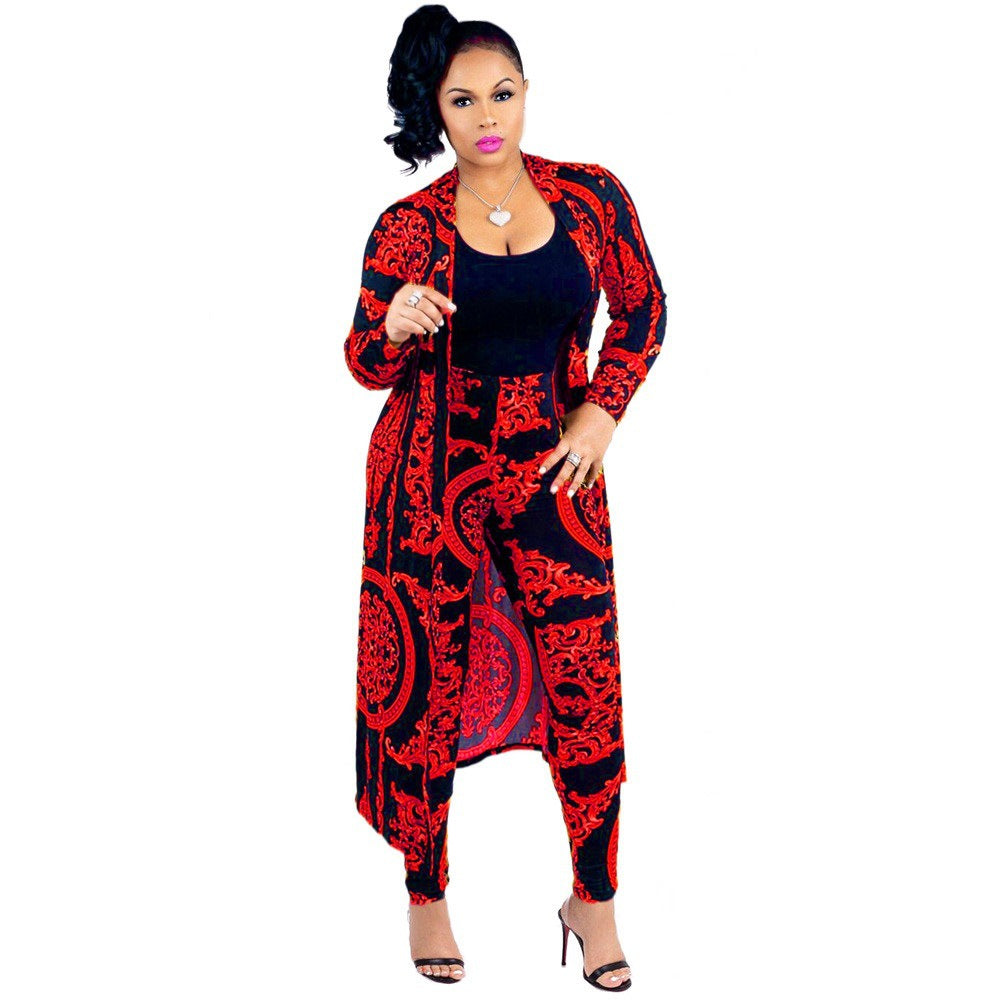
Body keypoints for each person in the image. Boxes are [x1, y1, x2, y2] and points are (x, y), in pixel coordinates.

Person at [344, 5, 667, 990]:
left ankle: (593, 900)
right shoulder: (406, 227)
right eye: (462, 100)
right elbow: (361, 360)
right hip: (427, 481)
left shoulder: (591, 196)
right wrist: (392, 327)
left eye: (502, 93)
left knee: (586, 685)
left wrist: (602, 413)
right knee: (427, 687)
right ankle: (426, 892)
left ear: (526, 93)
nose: (486, 117)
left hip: (554, 475)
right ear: (435, 111)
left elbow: (644, 306)